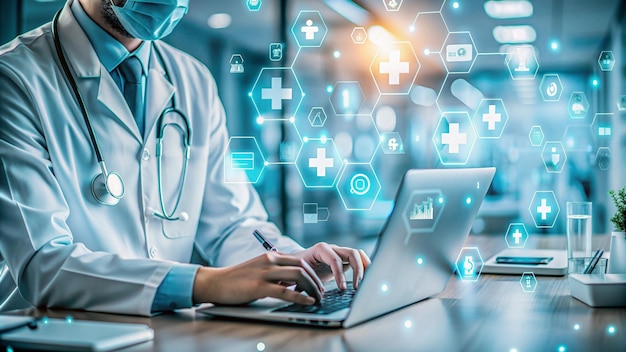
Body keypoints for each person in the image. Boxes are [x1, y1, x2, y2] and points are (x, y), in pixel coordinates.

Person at [0, 0, 370, 316]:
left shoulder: (194, 80)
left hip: (168, 334)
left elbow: (231, 224)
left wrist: (294, 261)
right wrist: (204, 283)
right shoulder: (14, 78)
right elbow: (43, 263)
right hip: (55, 336)